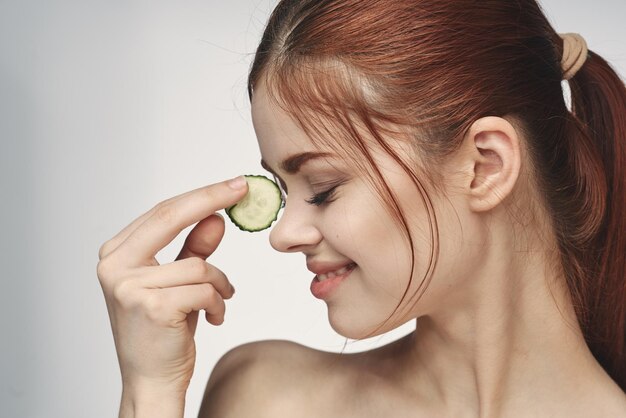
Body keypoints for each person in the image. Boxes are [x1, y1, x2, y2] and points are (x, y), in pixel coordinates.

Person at [97, 0, 626, 417]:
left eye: (323, 187)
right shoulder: (267, 402)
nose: (282, 236)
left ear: (485, 165)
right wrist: (150, 394)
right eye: (281, 187)